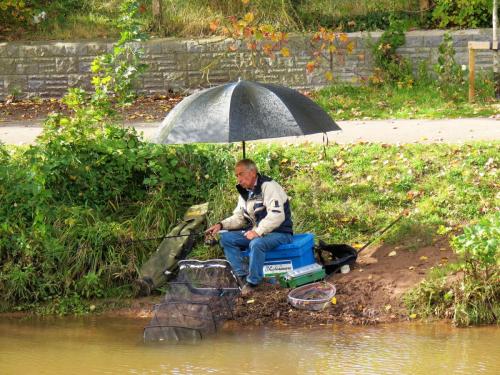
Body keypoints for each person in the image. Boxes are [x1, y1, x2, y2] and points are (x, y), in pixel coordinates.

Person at [205, 159, 293, 296]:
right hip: (259, 232)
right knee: (226, 238)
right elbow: (240, 217)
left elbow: (277, 215)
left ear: (252, 172)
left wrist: (257, 231)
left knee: (256, 243)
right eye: (237, 176)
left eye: (240, 174)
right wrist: (221, 225)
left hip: (281, 233)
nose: (238, 179)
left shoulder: (269, 186)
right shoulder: (245, 192)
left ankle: (253, 283)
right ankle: (241, 277)